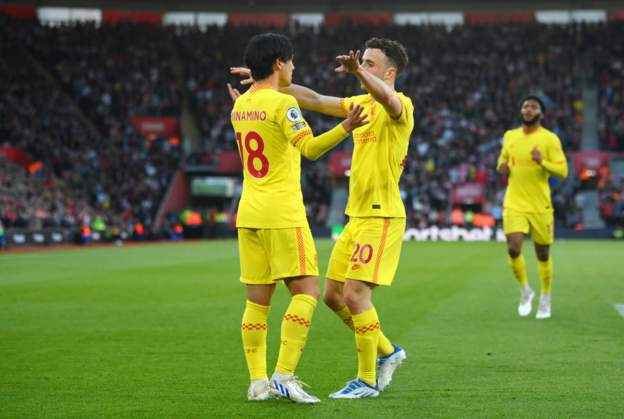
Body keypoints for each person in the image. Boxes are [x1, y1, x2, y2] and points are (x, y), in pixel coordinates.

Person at [232, 37, 413, 398]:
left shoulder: (400, 105)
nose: (361, 65)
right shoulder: (358, 103)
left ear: (390, 72)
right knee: (333, 296)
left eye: (370, 64)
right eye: (362, 61)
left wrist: (356, 72)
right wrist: (269, 81)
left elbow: (389, 100)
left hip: (382, 214)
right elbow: (312, 99)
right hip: (355, 216)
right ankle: (389, 352)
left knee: (357, 295)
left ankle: (367, 379)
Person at [496, 95, 568, 320]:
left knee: (542, 253)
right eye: (525, 105)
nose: (528, 109)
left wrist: (542, 162)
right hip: (514, 202)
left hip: (540, 204)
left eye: (533, 107)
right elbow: (502, 162)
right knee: (513, 248)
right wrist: (503, 168)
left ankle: (545, 296)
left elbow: (563, 171)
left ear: (541, 114)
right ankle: (525, 291)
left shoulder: (549, 139)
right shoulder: (510, 136)